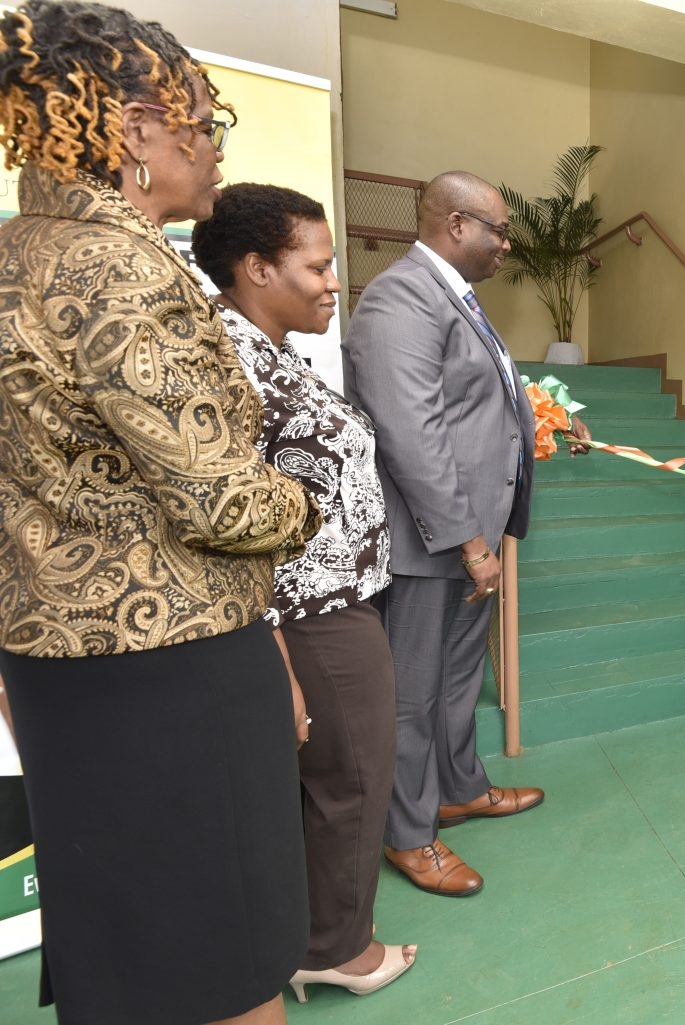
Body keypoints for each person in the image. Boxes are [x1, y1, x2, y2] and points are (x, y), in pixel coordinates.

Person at [0, 4, 323, 1023]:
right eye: (205, 120)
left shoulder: (15, 251)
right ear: (136, 129)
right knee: (223, 963)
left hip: (55, 669)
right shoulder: (118, 264)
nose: (219, 148)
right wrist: (309, 503)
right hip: (171, 673)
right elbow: (220, 495)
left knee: (127, 955)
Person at [190, 184, 416, 1000]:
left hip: (332, 605)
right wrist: (276, 647)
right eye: (317, 266)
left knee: (331, 779)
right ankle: (338, 948)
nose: (332, 283)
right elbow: (230, 520)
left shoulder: (267, 350)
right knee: (352, 779)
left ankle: (314, 933)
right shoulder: (230, 359)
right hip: (311, 615)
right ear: (256, 267)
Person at [343, 171, 578, 897]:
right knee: (411, 695)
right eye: (498, 231)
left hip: (465, 533)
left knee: (456, 680)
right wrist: (470, 542)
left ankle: (459, 788)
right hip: (430, 543)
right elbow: (412, 432)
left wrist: (539, 417)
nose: (508, 244)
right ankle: (409, 834)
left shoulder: (458, 299)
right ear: (453, 225)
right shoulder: (399, 297)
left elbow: (478, 398)